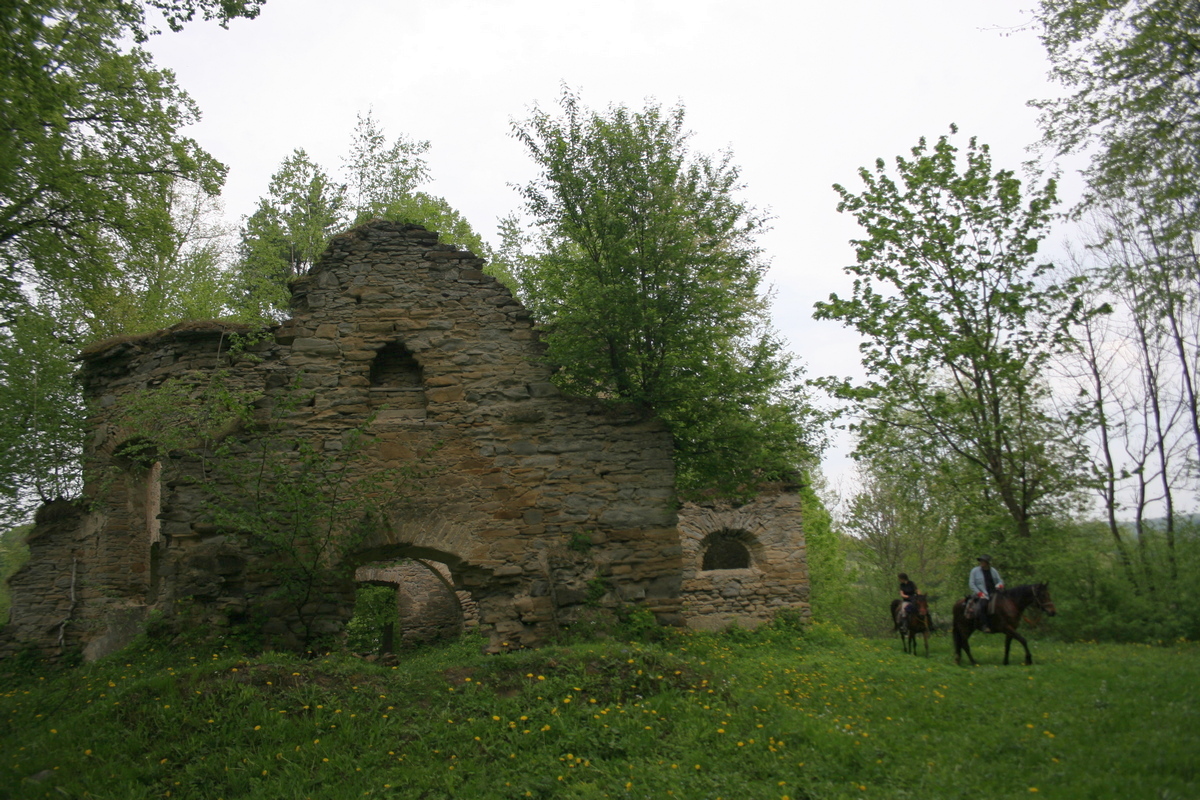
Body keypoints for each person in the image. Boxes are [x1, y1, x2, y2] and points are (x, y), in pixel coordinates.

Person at [968, 555, 1004, 632]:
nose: (981, 563)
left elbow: (1000, 581)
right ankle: (984, 625)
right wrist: (979, 593)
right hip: (983, 594)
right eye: (980, 561)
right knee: (983, 605)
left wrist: (1000, 585)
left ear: (987, 562)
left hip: (994, 593)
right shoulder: (974, 571)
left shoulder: (993, 571)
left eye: (983, 561)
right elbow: (971, 584)